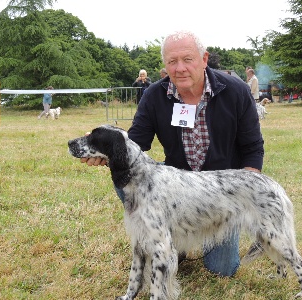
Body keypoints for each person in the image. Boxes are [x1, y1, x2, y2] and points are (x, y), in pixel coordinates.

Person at [80, 30, 264, 277]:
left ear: (204, 59)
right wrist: (106, 154)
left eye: (187, 59)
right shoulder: (154, 95)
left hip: (219, 197)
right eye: (172, 62)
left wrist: (243, 195)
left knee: (222, 269)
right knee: (125, 180)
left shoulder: (236, 91)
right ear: (165, 65)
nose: (179, 68)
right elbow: (136, 144)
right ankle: (164, 234)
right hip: (176, 194)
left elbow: (252, 148)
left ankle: (193, 236)